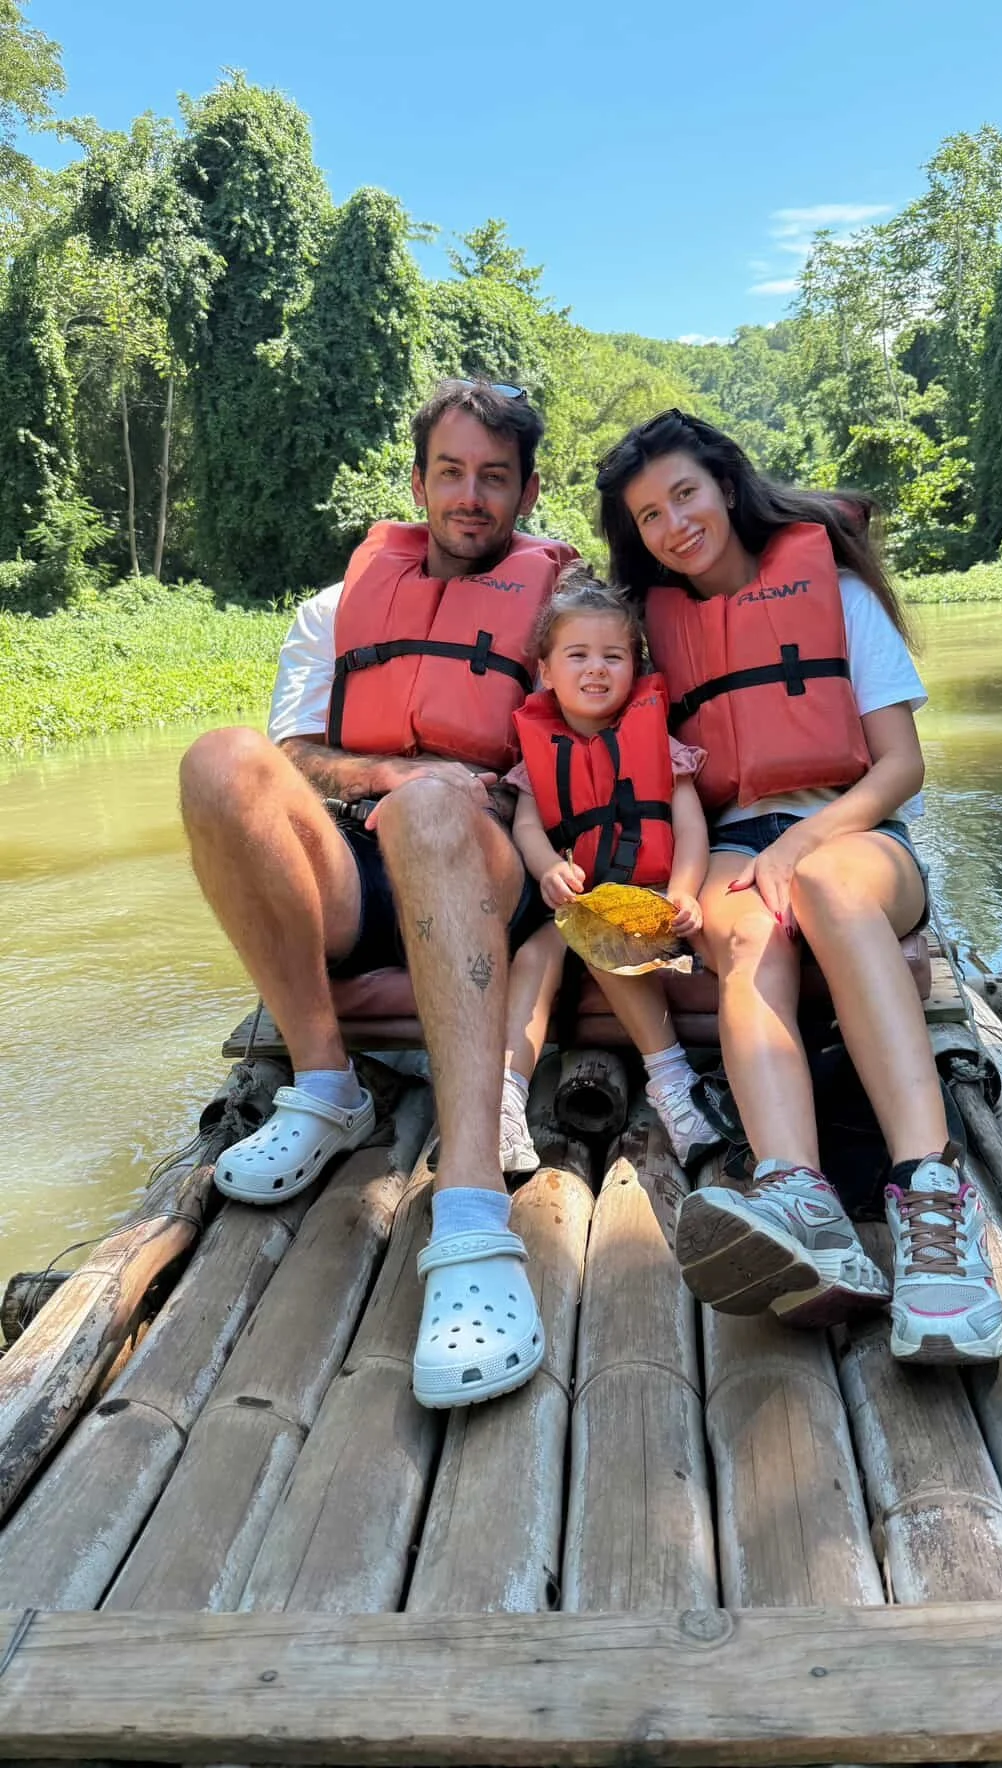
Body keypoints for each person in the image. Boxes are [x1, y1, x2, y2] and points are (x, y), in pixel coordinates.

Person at [179, 378, 577, 1410]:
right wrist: (389, 773)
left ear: (527, 492)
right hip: (365, 860)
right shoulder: (337, 608)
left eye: (495, 477)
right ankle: (327, 1086)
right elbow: (297, 753)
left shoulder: (564, 608)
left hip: (487, 861)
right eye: (451, 473)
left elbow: (603, 735)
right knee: (221, 761)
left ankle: (475, 1212)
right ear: (418, 482)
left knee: (436, 812)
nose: (470, 496)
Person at [595, 410, 1002, 1365]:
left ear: (727, 486)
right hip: (734, 844)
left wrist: (808, 840)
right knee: (745, 936)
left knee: (824, 883)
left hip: (858, 830)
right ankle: (799, 1197)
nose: (673, 525)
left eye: (685, 495)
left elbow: (900, 767)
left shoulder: (836, 593)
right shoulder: (655, 632)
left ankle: (933, 1196)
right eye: (649, 515)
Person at [497, 566, 720, 1171]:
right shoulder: (538, 753)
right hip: (577, 905)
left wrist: (684, 892)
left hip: (643, 904)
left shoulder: (658, 744)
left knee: (607, 936)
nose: (596, 668)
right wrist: (547, 869)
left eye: (613, 656)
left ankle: (671, 1082)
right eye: (577, 654)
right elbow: (527, 826)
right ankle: (506, 1100)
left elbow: (690, 826)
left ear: (635, 667)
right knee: (535, 954)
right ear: (545, 670)